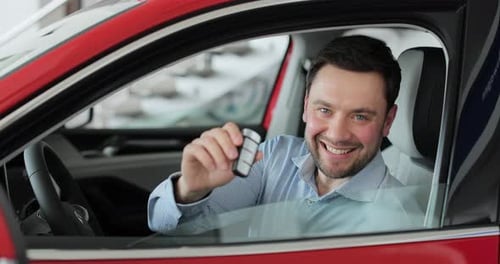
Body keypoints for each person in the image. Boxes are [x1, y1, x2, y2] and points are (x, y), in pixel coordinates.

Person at [148, 35, 423, 236]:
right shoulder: (275, 156)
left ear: (388, 121)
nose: (337, 134)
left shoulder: (400, 222)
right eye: (324, 110)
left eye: (360, 116)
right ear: (305, 107)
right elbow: (171, 226)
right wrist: (190, 190)